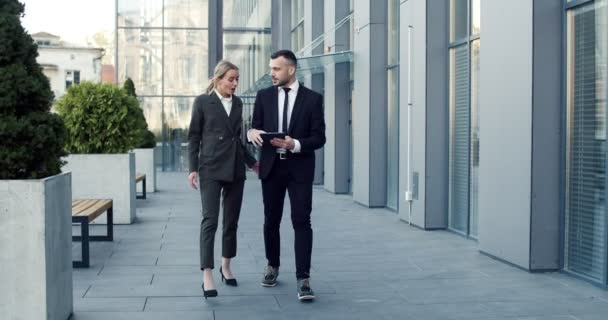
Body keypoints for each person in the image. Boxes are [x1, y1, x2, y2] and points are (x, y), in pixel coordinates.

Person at [247, 50, 326, 301]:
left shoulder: (313, 99)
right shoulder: (264, 96)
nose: (271, 73)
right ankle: (272, 265)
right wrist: (252, 134)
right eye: (271, 68)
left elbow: (319, 137)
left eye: (276, 69)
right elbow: (255, 126)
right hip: (271, 167)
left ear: (291, 70)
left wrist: (296, 144)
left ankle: (304, 278)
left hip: (299, 168)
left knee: (301, 220)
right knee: (271, 220)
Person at [188, 60, 259, 299]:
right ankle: (207, 273)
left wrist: (253, 163)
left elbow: (237, 139)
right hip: (210, 167)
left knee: (231, 222)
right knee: (210, 220)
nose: (235, 83)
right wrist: (192, 168)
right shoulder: (202, 102)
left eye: (237, 79)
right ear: (218, 80)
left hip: (235, 169)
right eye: (231, 79)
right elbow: (194, 137)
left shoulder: (238, 104)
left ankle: (226, 265)